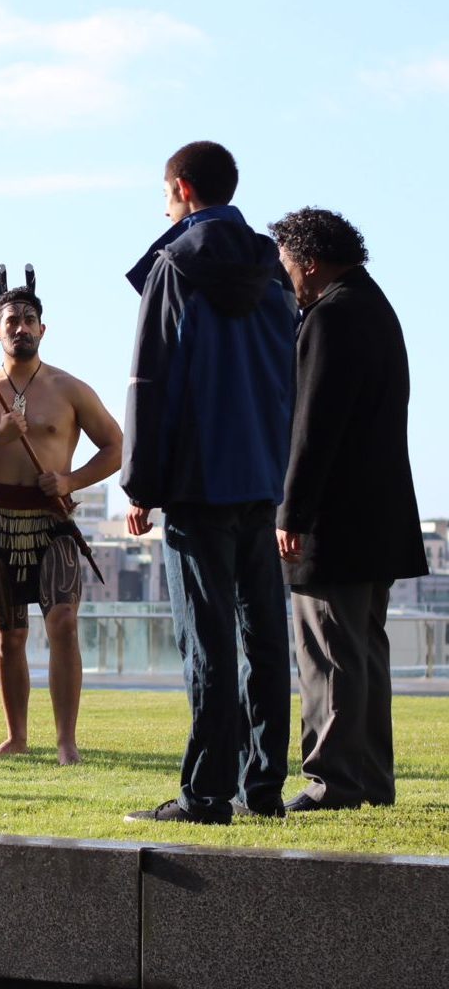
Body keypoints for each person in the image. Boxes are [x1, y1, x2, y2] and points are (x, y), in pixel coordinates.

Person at [122, 141, 297, 825]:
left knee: (209, 641)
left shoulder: (175, 264)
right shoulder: (276, 269)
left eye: (165, 193)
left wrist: (142, 483)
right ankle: (263, 788)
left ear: (184, 189)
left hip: (198, 478)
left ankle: (205, 793)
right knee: (264, 638)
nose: (164, 204)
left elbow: (151, 380)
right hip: (263, 474)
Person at [0, 266, 121, 765]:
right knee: (9, 634)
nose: (21, 327)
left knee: (62, 622)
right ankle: (16, 736)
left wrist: (71, 481)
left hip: (53, 519)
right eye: (11, 320)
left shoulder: (69, 388)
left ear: (43, 328)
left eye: (29, 319)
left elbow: (116, 447)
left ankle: (66, 742)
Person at [270, 208, 428, 812]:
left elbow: (314, 426)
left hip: (333, 520)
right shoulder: (374, 308)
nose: (285, 278)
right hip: (378, 516)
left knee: (328, 650)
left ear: (309, 262)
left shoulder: (330, 317)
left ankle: (333, 781)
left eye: (287, 265)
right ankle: (370, 779)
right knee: (363, 650)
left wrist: (292, 511)